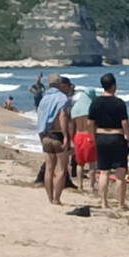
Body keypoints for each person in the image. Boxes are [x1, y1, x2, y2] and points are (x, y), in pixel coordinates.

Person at [89, 72, 129, 210]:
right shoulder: (119, 103)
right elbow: (124, 123)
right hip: (116, 137)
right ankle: (120, 203)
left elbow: (90, 123)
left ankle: (104, 202)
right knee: (120, 173)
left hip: (101, 137)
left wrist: (93, 137)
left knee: (104, 171)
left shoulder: (95, 102)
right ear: (113, 86)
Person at [36, 74, 75, 204]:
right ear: (59, 84)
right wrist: (66, 136)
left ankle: (49, 197)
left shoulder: (44, 99)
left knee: (49, 168)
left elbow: (40, 118)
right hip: (58, 134)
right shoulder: (62, 98)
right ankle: (57, 198)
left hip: (46, 134)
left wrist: (40, 135)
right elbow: (63, 117)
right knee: (61, 169)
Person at [69, 84, 97, 192]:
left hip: (78, 136)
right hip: (88, 136)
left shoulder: (76, 108)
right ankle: (91, 186)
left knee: (80, 163)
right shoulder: (90, 108)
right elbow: (92, 125)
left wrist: (72, 139)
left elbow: (72, 126)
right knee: (92, 164)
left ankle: (80, 185)